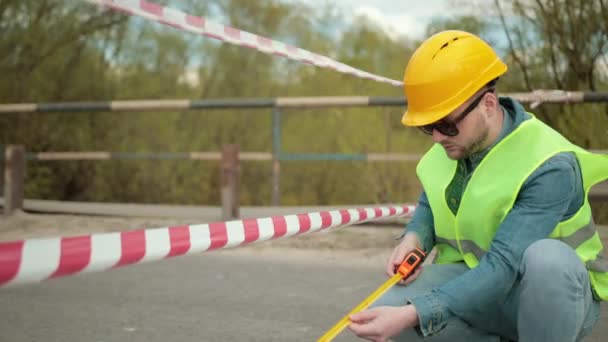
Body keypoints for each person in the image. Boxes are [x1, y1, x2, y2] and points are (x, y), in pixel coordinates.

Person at [347, 30, 608, 342]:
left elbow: (503, 264)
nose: (437, 137)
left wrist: (416, 312)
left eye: (445, 124)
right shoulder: (452, 145)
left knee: (547, 260)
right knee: (385, 310)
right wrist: (415, 237)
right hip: (478, 282)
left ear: (487, 103)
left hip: (551, 298)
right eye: (427, 126)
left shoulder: (551, 165)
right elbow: (432, 202)